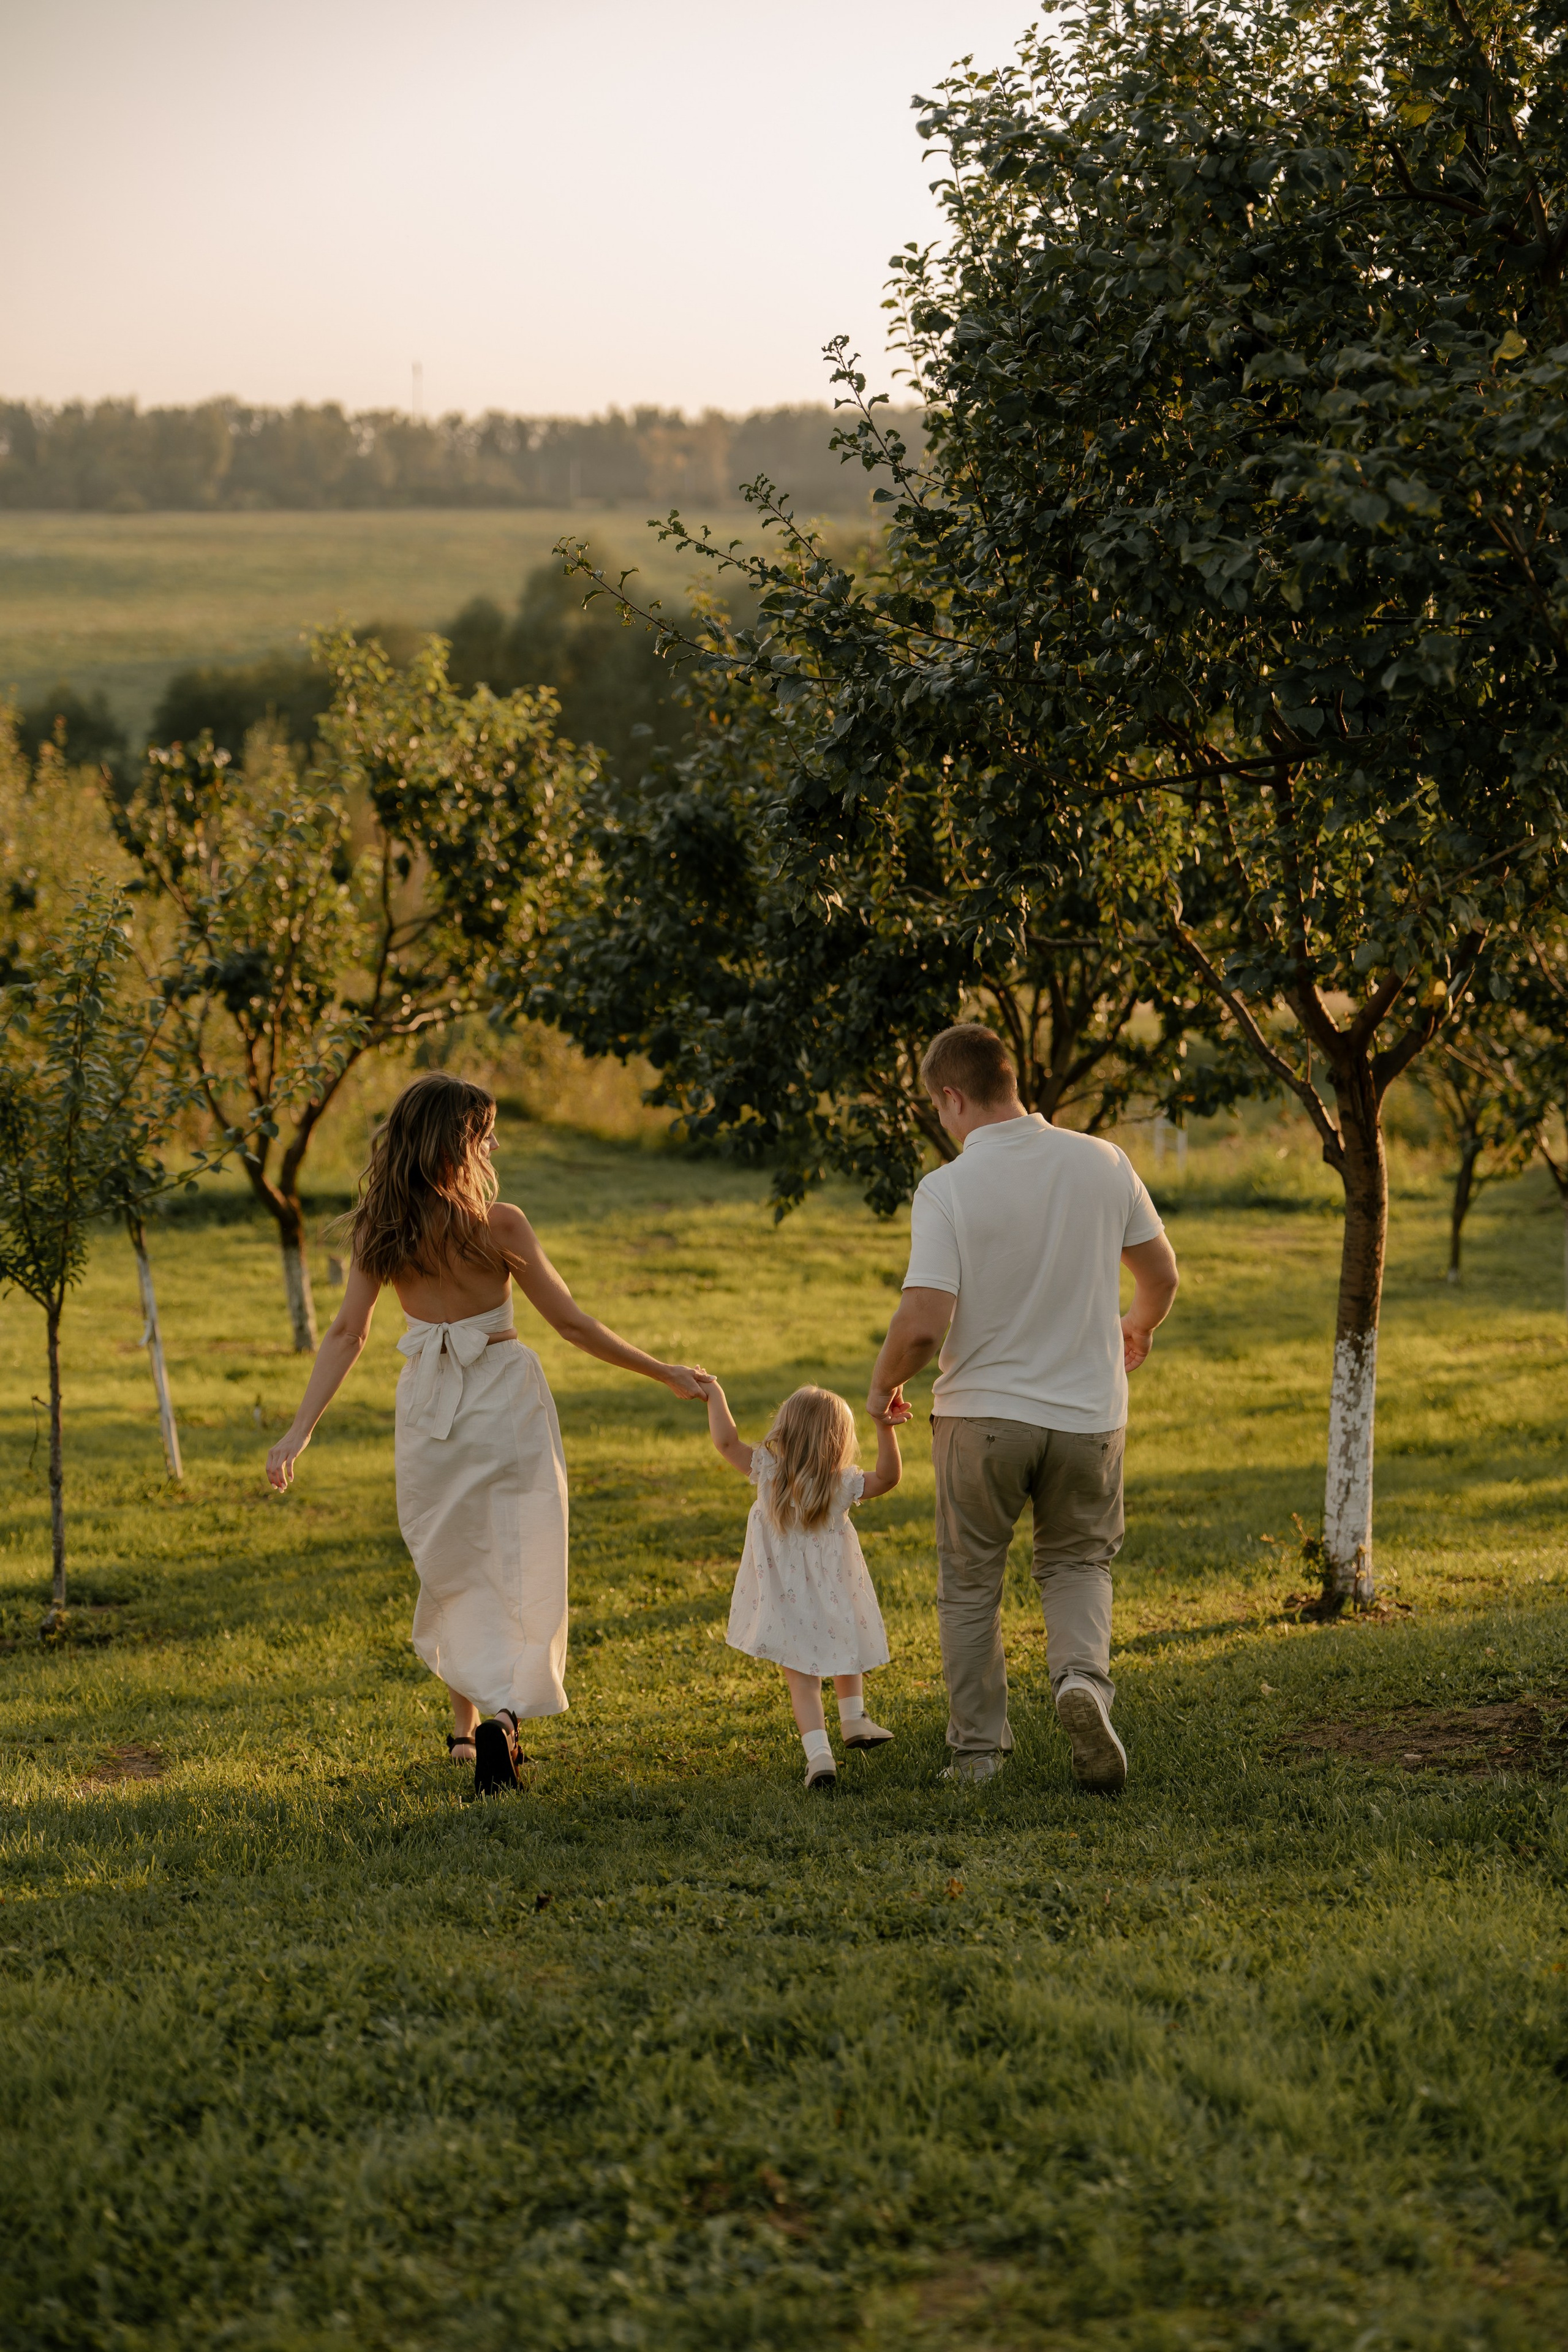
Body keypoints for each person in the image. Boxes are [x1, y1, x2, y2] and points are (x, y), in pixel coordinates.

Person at [265, 1072, 704, 1796]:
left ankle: (465, 1732)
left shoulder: (381, 1228)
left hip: (429, 1407)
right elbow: (571, 1324)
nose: (493, 1147)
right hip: (504, 1397)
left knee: (456, 1560)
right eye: (484, 1135)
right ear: (453, 1145)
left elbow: (347, 1333)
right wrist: (664, 1371)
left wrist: (298, 1431)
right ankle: (503, 1717)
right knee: (521, 1558)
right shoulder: (500, 1224)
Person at [867, 1024, 1180, 1793]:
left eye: (937, 1108)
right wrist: (1137, 1325)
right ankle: (1081, 1682)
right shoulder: (1103, 1161)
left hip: (982, 1418)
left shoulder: (947, 1188)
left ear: (952, 1097)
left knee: (971, 1582)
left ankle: (977, 1754)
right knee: (1077, 1563)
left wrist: (881, 1385)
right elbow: (1161, 1275)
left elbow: (923, 1323)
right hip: (1089, 1418)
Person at [695, 1376, 907, 1790]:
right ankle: (853, 1718)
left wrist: (715, 1394)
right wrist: (885, 1426)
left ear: (785, 1430)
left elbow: (726, 1441)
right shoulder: (841, 1483)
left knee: (802, 1680)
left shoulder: (768, 1473)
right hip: (835, 1592)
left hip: (786, 1599)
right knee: (846, 1645)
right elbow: (888, 1477)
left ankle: (819, 1756)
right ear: (838, 1441)